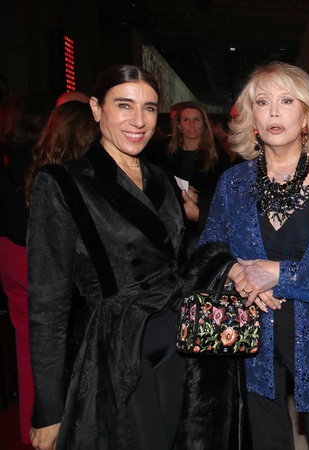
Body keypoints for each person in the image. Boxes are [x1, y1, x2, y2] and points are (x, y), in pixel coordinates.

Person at [199, 61, 309, 450]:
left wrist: (279, 273)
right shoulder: (233, 183)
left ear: (306, 116)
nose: (274, 112)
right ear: (252, 119)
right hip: (249, 339)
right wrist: (238, 273)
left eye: (287, 100)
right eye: (262, 102)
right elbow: (207, 249)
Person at [27, 64, 187, 450]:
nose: (139, 120)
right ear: (97, 109)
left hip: (178, 345)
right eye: (124, 105)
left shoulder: (162, 179)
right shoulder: (63, 183)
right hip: (117, 351)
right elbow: (48, 303)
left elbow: (177, 261)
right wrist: (49, 406)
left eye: (149, 108)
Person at [0, 94, 49, 445]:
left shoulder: (4, 154)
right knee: (46, 346)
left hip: (6, 252)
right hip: (34, 253)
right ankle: (45, 426)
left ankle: (26, 430)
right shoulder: (40, 158)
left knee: (24, 344)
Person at [150, 101, 227, 251]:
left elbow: (223, 198)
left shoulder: (218, 156)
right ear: (179, 125)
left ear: (204, 125)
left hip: (198, 229)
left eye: (196, 119)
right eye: (186, 120)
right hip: (164, 222)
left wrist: (197, 196)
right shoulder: (162, 149)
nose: (191, 124)